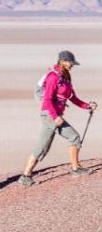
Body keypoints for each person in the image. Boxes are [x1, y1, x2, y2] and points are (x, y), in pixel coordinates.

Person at [19, 50, 98, 186]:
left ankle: (25, 176)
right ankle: (75, 169)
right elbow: (48, 99)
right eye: (70, 62)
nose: (72, 65)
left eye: (73, 63)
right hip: (50, 115)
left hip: (52, 116)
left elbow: (73, 98)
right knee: (74, 137)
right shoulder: (53, 77)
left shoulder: (66, 78)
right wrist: (55, 117)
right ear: (62, 61)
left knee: (43, 147)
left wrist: (87, 106)